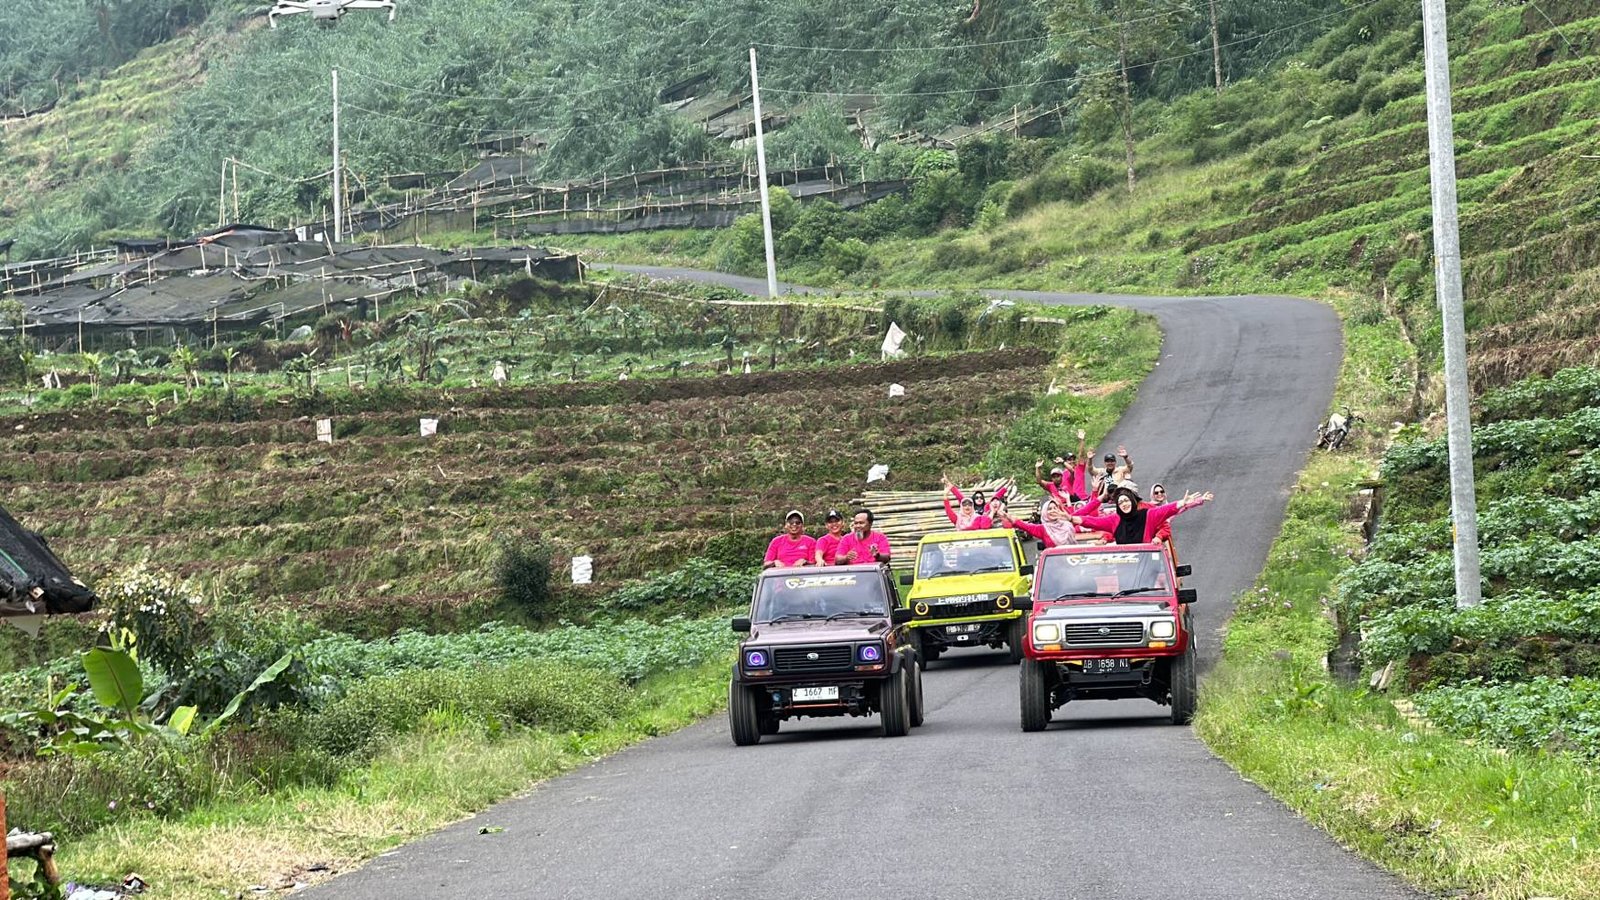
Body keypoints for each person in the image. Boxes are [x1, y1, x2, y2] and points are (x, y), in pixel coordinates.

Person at [1071, 485, 1212, 546]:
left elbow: (1169, 510)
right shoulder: (1115, 518)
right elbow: (1093, 522)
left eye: (1126, 499)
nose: (1124, 503)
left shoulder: (1148, 512)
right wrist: (1070, 518)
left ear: (1132, 498)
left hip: (1148, 558)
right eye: (1120, 501)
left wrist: (1187, 502)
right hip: (1125, 564)